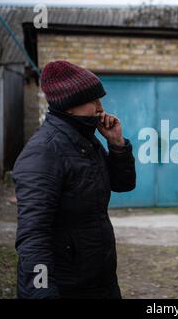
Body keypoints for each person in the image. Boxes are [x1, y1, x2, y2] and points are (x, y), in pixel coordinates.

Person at [12, 60, 136, 298]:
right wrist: (41, 291)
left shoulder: (85, 142)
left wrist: (117, 144)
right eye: (93, 101)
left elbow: (123, 184)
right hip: (67, 288)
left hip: (100, 280)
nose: (101, 108)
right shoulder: (43, 153)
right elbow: (33, 235)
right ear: (69, 106)